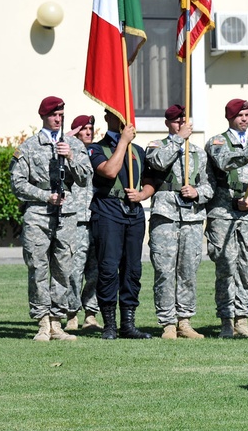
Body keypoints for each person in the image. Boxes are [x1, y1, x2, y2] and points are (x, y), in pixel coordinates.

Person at [10, 97, 91, 341]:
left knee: (63, 268)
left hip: (66, 214)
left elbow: (85, 177)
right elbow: (17, 183)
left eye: (61, 115)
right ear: (44, 116)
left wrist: (71, 158)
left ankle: (57, 323)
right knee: (38, 266)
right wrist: (45, 196)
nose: (58, 119)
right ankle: (43, 322)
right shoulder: (29, 147)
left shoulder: (73, 145)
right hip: (38, 214)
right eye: (54, 115)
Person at [205, 99, 248, 338]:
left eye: (247, 114)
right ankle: (226, 320)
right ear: (230, 118)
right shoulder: (217, 141)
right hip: (223, 213)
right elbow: (223, 161)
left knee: (247, 267)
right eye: (240, 115)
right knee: (226, 266)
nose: (244, 119)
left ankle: (242, 318)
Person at [145, 105, 213, 339]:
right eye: (176, 121)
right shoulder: (157, 146)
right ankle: (167, 323)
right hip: (166, 215)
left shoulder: (198, 152)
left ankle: (184, 320)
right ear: (168, 124)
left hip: (192, 217)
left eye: (184, 121)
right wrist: (177, 139)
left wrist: (197, 193)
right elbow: (158, 163)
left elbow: (209, 185)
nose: (181, 124)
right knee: (165, 270)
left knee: (188, 270)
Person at [88, 109, 156, 339]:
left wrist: (143, 195)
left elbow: (151, 181)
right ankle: (109, 325)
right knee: (108, 269)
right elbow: (109, 170)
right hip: (108, 210)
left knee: (132, 270)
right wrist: (123, 141)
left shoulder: (137, 151)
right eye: (118, 115)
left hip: (134, 213)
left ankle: (128, 324)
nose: (125, 120)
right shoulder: (96, 148)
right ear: (108, 117)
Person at [65, 114, 100, 331]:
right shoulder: (66, 149)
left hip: (96, 217)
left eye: (90, 128)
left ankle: (91, 314)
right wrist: (69, 138)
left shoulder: (98, 152)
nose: (88, 132)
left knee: (96, 270)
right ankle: (71, 314)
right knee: (74, 269)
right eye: (84, 128)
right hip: (76, 218)